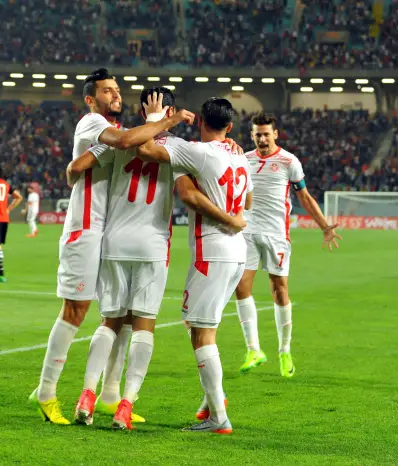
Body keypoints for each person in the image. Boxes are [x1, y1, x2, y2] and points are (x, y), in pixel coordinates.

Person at [68, 88, 243, 430]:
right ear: (171, 110)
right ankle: (125, 405)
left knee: (109, 322)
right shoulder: (177, 150)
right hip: (152, 245)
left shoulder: (120, 139)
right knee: (144, 327)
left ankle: (86, 396)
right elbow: (189, 191)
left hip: (114, 241)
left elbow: (77, 167)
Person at [29, 68, 193, 426]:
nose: (115, 95)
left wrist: (72, 174)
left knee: (118, 320)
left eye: (117, 90)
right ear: (91, 99)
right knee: (76, 310)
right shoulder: (96, 124)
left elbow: (75, 168)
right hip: (88, 229)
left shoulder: (123, 137)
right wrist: (170, 124)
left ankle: (108, 395)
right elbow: (83, 163)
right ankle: (45, 390)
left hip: (109, 235)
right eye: (107, 91)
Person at [136, 97, 252, 434]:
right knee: (197, 324)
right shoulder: (239, 156)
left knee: (202, 335)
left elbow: (144, 147)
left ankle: (219, 417)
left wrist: (163, 120)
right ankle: (211, 399)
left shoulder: (194, 151)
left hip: (211, 251)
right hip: (236, 252)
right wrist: (235, 216)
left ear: (200, 120)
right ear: (230, 127)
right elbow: (247, 201)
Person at [234, 112, 343, 378]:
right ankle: (253, 349)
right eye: (257, 134)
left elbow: (304, 197)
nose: (262, 138)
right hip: (247, 231)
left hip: (276, 235)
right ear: (251, 135)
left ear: (275, 134)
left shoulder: (288, 161)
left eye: (266, 134)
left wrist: (324, 226)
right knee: (241, 287)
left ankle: (284, 350)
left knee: (279, 291)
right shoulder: (243, 159)